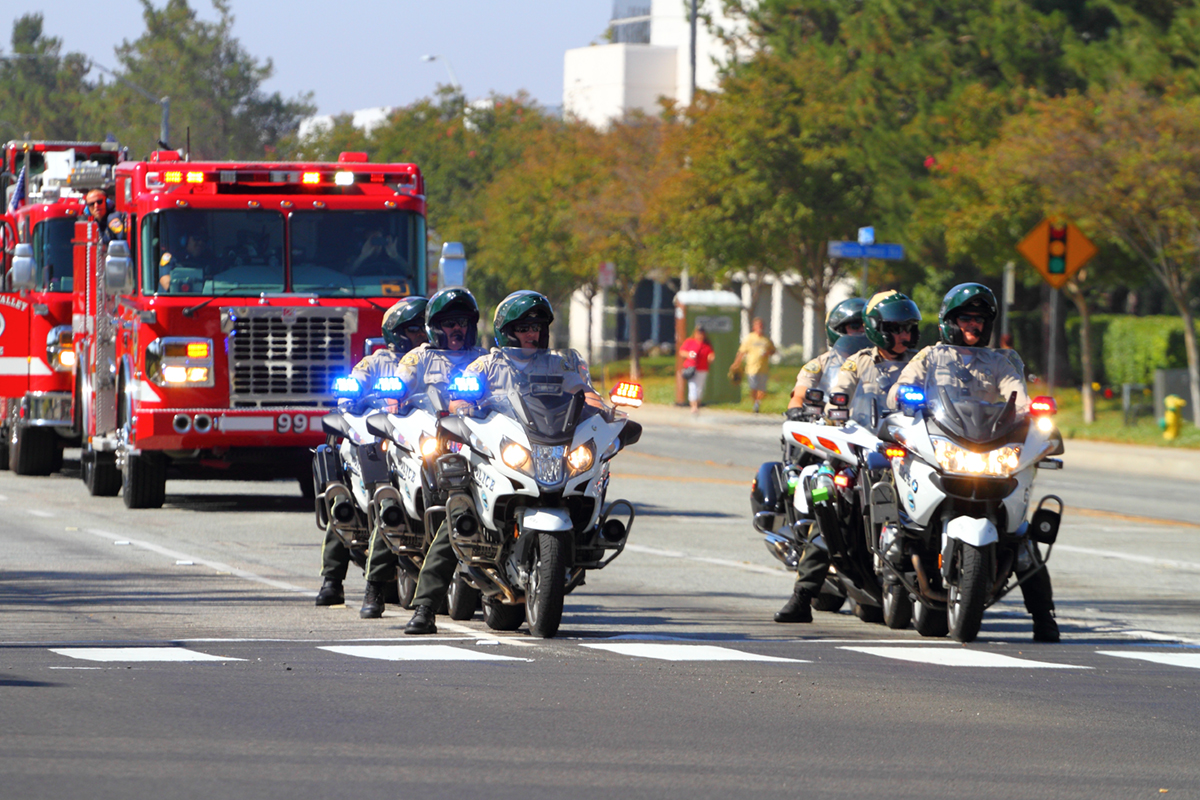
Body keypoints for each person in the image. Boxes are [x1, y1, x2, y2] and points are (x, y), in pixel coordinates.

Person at [403, 290, 602, 635]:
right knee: (459, 517)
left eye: (537, 327)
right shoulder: (488, 365)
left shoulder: (557, 363)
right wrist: (462, 406)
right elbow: (459, 397)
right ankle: (424, 608)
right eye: (524, 327)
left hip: (546, 450)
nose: (533, 334)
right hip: (496, 453)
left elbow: (584, 392)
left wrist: (602, 407)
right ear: (508, 331)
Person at [888, 282, 1056, 642]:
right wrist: (906, 395)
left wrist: (1032, 415)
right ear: (949, 320)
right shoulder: (930, 357)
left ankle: (1045, 618)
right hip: (948, 441)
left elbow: (1018, 397)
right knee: (904, 522)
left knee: (1024, 543)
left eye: (980, 319)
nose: (974, 325)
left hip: (990, 445)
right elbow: (901, 389)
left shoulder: (1002, 360)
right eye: (966, 317)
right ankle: (897, 569)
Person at [775, 290, 922, 624]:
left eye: (908, 328)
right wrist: (834, 410)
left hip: (906, 449)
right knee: (832, 507)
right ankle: (803, 594)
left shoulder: (920, 362)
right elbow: (838, 395)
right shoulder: (857, 362)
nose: (904, 336)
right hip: (860, 448)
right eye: (896, 328)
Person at [321, 296, 429, 617]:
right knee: (362, 504)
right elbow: (352, 387)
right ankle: (341, 580)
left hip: (417, 442)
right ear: (397, 333)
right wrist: (352, 390)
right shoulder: (376, 361)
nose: (422, 336)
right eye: (414, 330)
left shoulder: (432, 360)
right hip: (372, 442)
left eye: (425, 329)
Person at [787, 298, 866, 410]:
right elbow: (799, 396)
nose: (862, 330)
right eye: (855, 326)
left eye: (866, 325)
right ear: (838, 330)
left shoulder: (879, 360)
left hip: (871, 422)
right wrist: (795, 409)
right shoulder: (821, 364)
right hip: (830, 421)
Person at [731, 317, 776, 413]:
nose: (760, 327)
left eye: (761, 325)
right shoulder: (749, 338)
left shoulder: (766, 339)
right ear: (754, 327)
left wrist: (768, 353)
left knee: (762, 390)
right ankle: (755, 403)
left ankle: (757, 403)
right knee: (753, 387)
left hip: (763, 368)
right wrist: (736, 363)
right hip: (751, 367)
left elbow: (773, 350)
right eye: (758, 325)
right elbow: (742, 352)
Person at [679, 325, 715, 415]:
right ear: (695, 333)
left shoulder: (706, 344)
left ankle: (697, 404)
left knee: (699, 388)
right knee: (693, 386)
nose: (700, 335)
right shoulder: (690, 342)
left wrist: (711, 357)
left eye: (701, 334)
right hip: (691, 367)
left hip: (702, 368)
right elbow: (682, 352)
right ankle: (693, 406)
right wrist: (689, 355)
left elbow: (711, 354)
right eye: (698, 333)